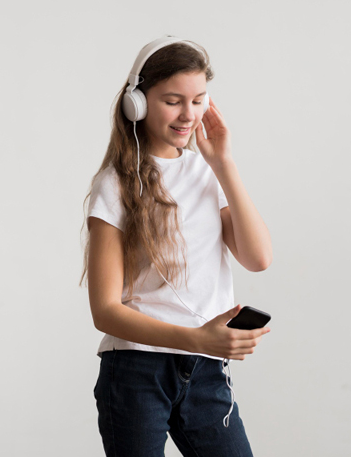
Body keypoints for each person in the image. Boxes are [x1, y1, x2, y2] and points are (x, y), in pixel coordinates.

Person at [80, 36, 273, 457]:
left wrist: (224, 163)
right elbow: (105, 312)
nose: (189, 115)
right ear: (138, 101)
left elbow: (258, 258)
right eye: (173, 101)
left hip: (205, 371)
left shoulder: (207, 172)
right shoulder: (113, 186)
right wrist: (197, 339)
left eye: (200, 100)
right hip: (136, 372)